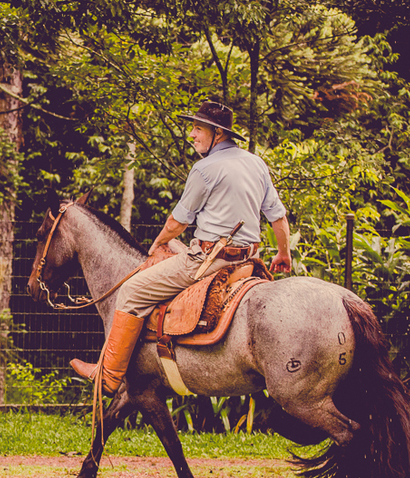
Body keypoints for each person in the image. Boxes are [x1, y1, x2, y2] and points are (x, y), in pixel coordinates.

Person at [72, 100, 293, 394]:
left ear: (217, 133)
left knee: (131, 291)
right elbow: (278, 216)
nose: (191, 134)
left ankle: (109, 376)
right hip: (248, 261)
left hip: (207, 260)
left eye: (198, 129)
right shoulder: (256, 163)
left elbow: (178, 222)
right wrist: (283, 254)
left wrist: (160, 241)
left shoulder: (204, 169)